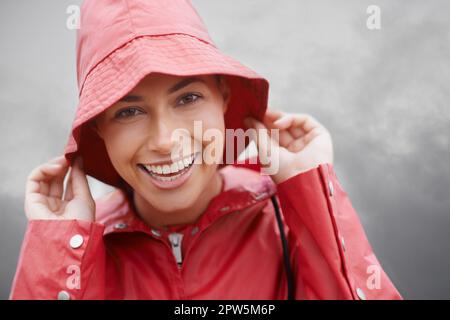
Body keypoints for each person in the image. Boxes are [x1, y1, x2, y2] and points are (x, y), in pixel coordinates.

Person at [10, 0, 402, 300]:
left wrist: (312, 193)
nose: (165, 140)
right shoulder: (79, 254)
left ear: (224, 96)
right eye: (129, 111)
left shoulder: (284, 219)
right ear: (99, 130)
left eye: (188, 98)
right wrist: (58, 247)